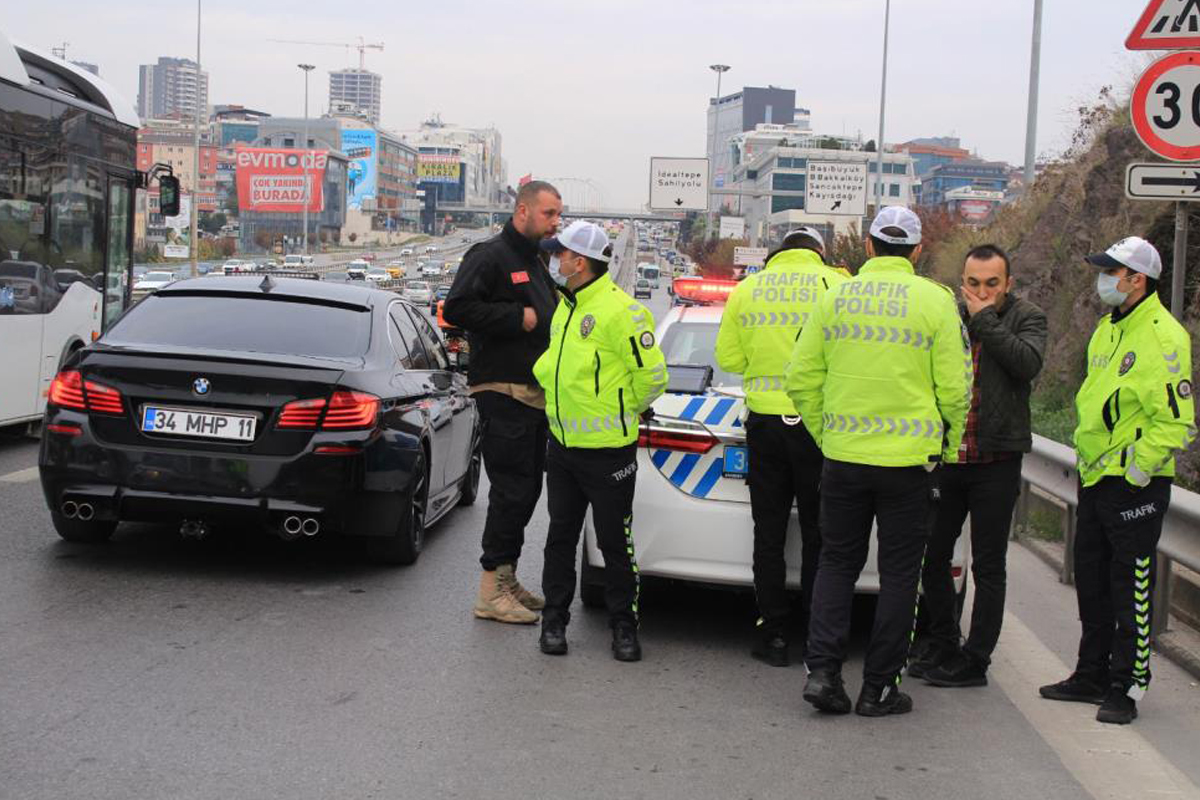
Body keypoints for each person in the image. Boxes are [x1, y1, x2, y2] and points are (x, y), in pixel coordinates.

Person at [786, 206, 971, 717]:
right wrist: (947, 450)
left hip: (844, 460)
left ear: (867, 247)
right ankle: (879, 688)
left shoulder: (834, 298)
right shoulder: (936, 302)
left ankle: (823, 674)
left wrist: (829, 437)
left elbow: (800, 378)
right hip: (910, 466)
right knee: (898, 575)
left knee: (836, 565)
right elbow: (955, 389)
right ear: (916, 251)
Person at [1040, 236, 1195, 725]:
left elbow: (1176, 421)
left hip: (1135, 482)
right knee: (1092, 579)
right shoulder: (1108, 328)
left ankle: (1127, 685)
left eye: (1112, 270)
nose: (1104, 278)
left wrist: (1138, 468)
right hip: (1095, 474)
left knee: (1131, 583)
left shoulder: (1165, 336)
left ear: (1137, 279)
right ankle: (1090, 673)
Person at [908, 244, 1047, 687]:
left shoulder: (1028, 316)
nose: (981, 291)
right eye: (973, 283)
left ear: (1008, 283)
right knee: (931, 555)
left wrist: (984, 318)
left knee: (989, 565)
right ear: (961, 282)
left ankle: (976, 659)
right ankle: (944, 639)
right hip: (949, 458)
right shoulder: (947, 314)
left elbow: (1026, 364)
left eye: (992, 283)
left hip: (996, 459)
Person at [532, 220, 668, 661]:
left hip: (609, 452)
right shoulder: (565, 306)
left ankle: (624, 629)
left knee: (614, 542)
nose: (555, 260)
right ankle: (553, 623)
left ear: (581, 261)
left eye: (561, 253)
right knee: (560, 538)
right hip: (563, 447)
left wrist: (623, 411)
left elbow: (652, 376)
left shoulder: (621, 311)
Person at [715, 227, 848, 667]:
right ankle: (816, 635)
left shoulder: (747, 289)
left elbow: (730, 360)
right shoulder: (838, 285)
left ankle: (772, 634)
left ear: (778, 255)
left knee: (768, 533)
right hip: (818, 425)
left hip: (766, 426)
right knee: (819, 533)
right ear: (819, 254)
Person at [443, 180, 562, 625]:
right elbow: (457, 307)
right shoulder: (490, 255)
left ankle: (506, 577)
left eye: (558, 214)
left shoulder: (535, 260)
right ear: (523, 212)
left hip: (532, 394)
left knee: (527, 488)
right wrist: (516, 317)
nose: (556, 222)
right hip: (502, 390)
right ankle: (490, 589)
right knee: (511, 488)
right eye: (549, 213)